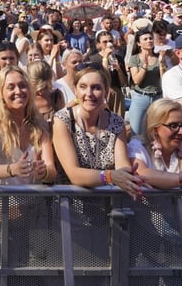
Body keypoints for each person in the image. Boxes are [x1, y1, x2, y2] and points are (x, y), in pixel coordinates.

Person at [51, 64, 141, 194]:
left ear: (106, 91)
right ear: (75, 90)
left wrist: (129, 179)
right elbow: (74, 174)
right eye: (83, 87)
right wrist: (110, 176)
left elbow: (122, 166)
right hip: (69, 201)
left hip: (107, 201)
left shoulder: (116, 122)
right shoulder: (62, 120)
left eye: (96, 88)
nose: (89, 93)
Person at [0, 65, 56, 184]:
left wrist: (43, 172)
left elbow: (52, 170)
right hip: (1, 201)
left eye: (22, 86)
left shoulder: (39, 122)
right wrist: (12, 169)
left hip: (36, 201)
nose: (18, 91)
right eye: (11, 87)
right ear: (1, 93)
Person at [126, 29, 163, 136]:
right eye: (145, 39)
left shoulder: (158, 57)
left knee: (157, 132)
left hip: (157, 97)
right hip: (140, 98)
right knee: (136, 132)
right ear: (138, 43)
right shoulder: (134, 58)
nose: (149, 41)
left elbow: (164, 79)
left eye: (150, 38)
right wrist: (144, 67)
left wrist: (161, 63)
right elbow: (137, 80)